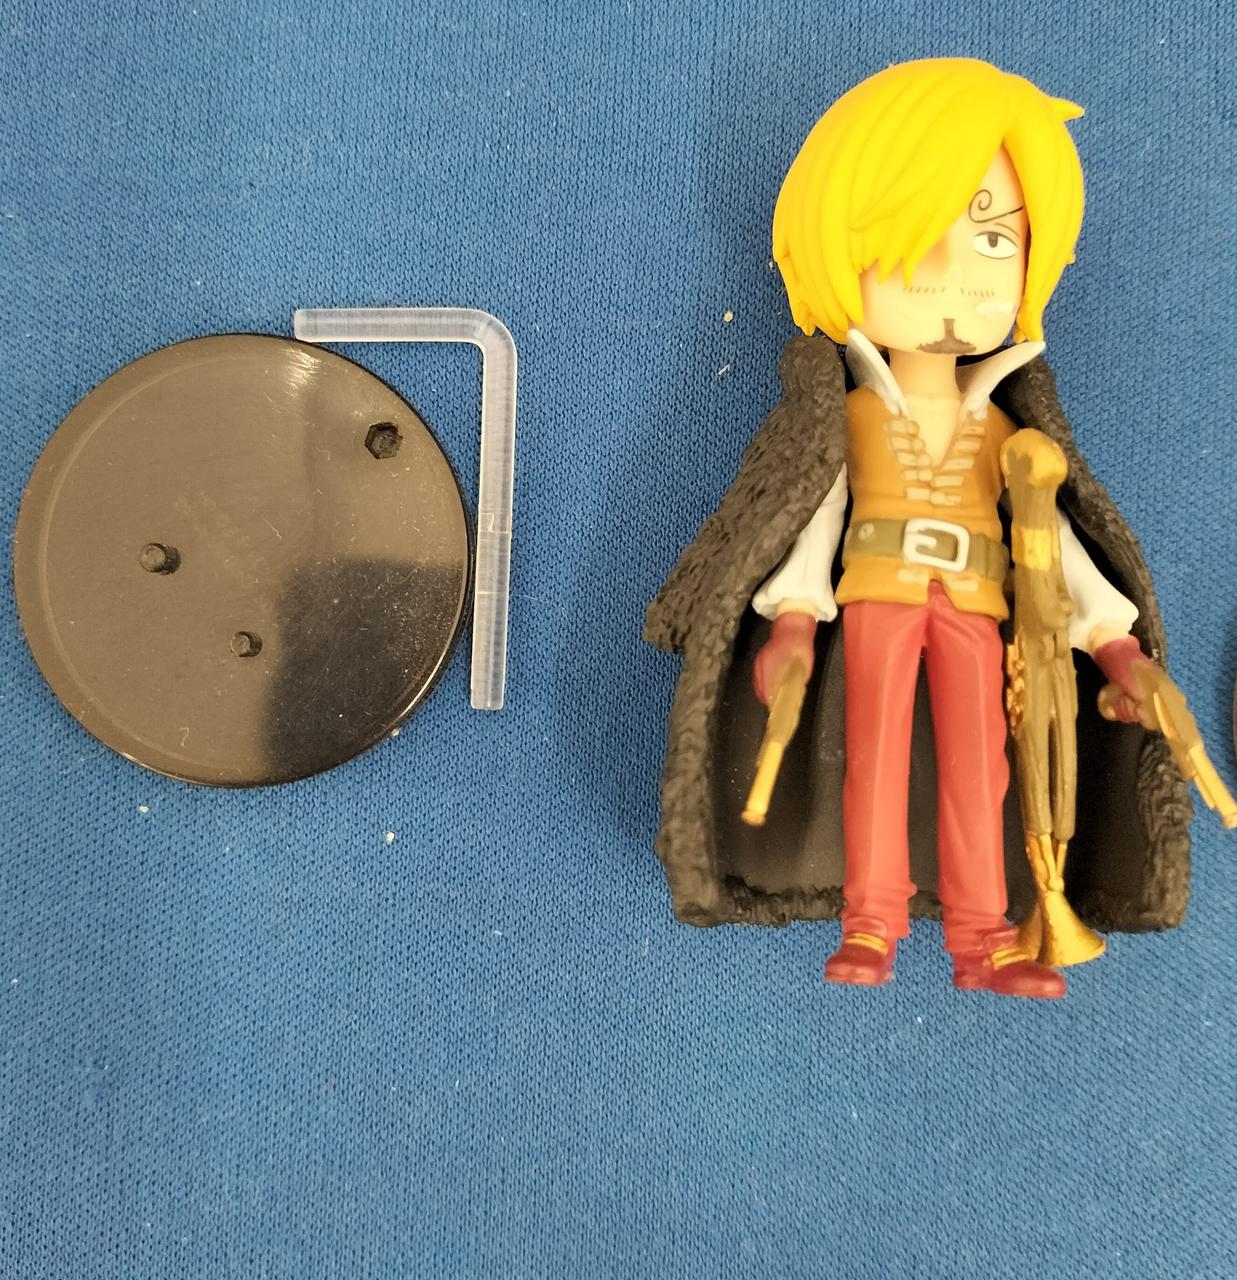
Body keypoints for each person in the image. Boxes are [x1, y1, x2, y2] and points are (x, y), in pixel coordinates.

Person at [644, 58, 1192, 999]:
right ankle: (870, 921)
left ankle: (983, 936)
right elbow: (811, 515)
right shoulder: (847, 419)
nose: (955, 281)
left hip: (978, 605)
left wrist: (1114, 647)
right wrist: (790, 623)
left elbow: (1056, 545)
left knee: (981, 772)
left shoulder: (1012, 432)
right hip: (877, 595)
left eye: (992, 240)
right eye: (916, 243)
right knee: (873, 759)